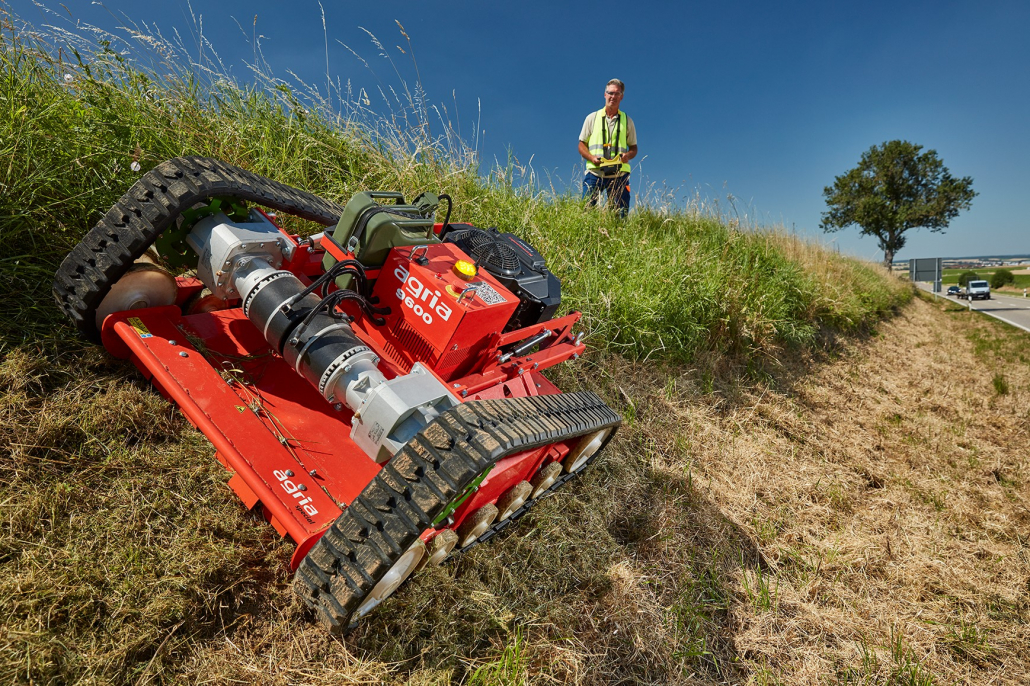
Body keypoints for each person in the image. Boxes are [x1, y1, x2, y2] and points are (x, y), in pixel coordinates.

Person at [578, 79, 638, 216]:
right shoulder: (592, 118)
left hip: (619, 175)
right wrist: (592, 158)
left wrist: (627, 156)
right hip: (595, 173)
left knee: (620, 214)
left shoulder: (627, 121)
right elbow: (581, 145)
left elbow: (634, 148)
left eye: (617, 94)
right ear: (604, 94)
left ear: (621, 96)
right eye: (610, 93)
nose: (613, 96)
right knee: (587, 212)